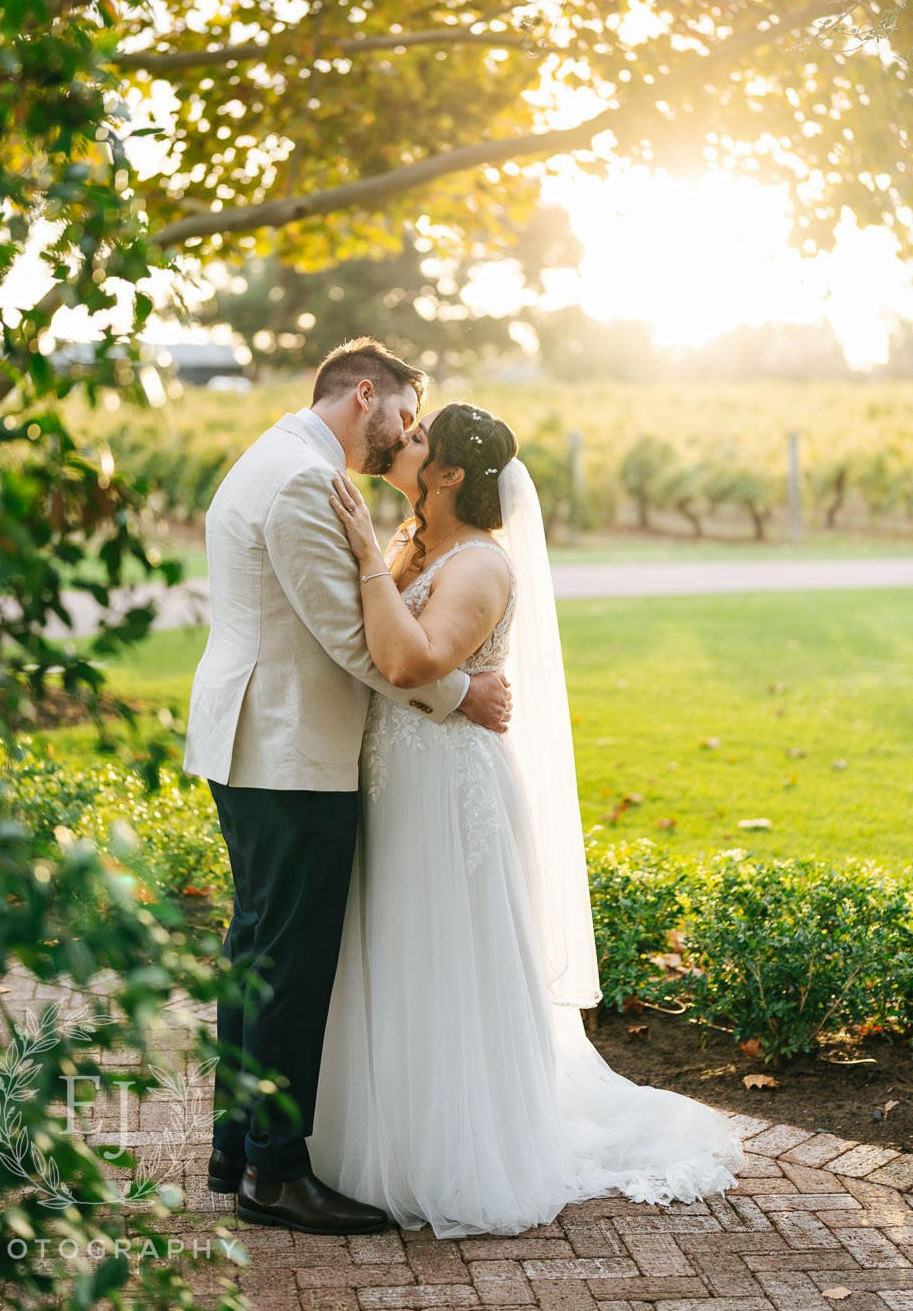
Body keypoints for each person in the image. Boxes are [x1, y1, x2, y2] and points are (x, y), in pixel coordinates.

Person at [312, 401, 745, 1238]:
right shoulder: (416, 543)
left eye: (420, 440)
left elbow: (410, 660)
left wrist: (368, 555)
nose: (403, 444)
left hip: (447, 789)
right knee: (392, 948)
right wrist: (380, 553)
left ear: (447, 477)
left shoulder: (478, 566)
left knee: (444, 955)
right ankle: (378, 1134)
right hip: (395, 775)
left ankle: (460, 1151)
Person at [182, 343, 512, 1235]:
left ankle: (236, 1145)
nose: (404, 435)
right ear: (366, 394)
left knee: (257, 946)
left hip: (263, 741)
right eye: (403, 415)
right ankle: (276, 1175)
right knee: (288, 961)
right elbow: (352, 639)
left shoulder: (280, 457)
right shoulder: (299, 480)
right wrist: (461, 691)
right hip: (288, 748)